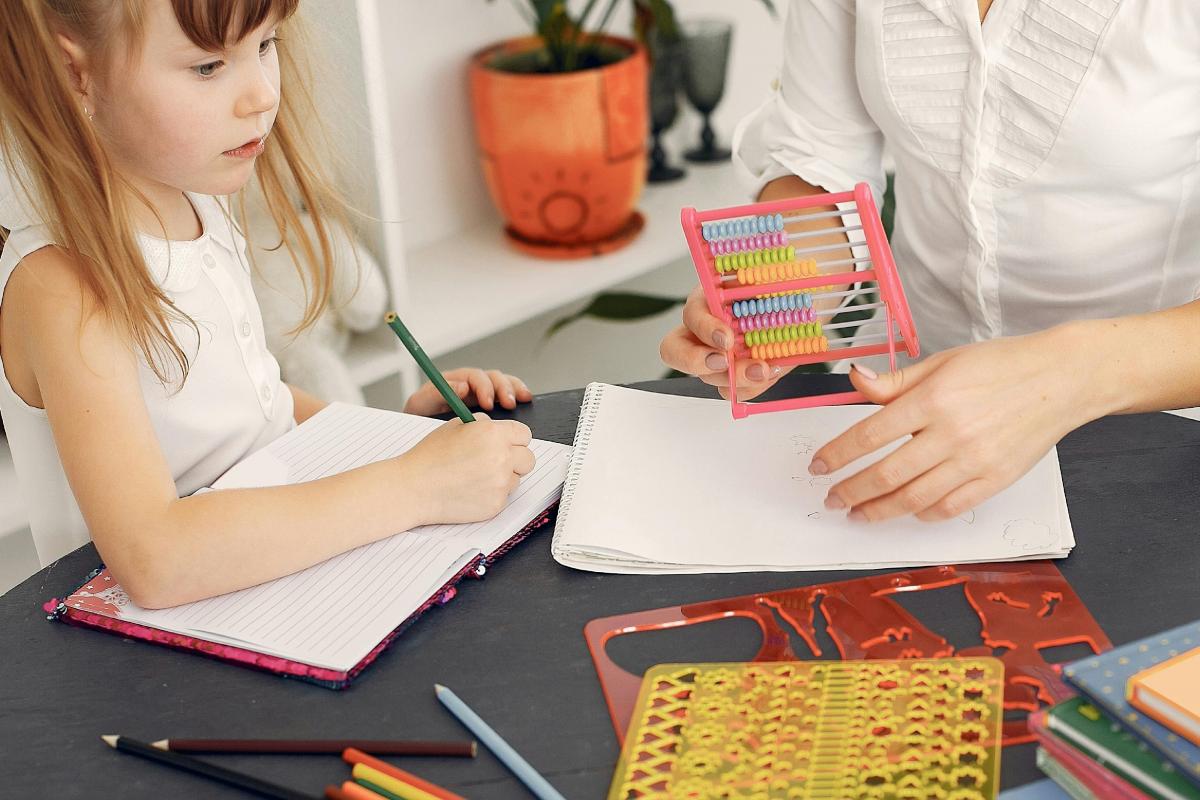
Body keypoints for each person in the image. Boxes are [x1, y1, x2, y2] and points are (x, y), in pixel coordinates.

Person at [0, 0, 535, 608]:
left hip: (258, 603)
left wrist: (393, 436)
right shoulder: (64, 285)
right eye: (207, 66)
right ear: (75, 74)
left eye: (266, 44)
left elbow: (257, 415)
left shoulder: (200, 204)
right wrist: (413, 484)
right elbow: (156, 560)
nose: (260, 95)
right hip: (141, 670)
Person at [661, 0, 1200, 525]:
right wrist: (778, 293)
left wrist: (1068, 375)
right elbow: (821, 158)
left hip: (1154, 430)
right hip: (912, 415)